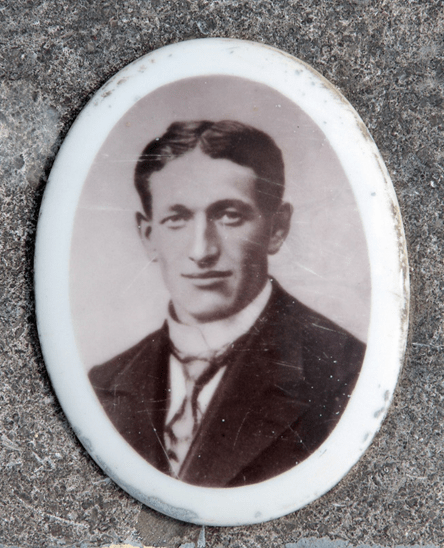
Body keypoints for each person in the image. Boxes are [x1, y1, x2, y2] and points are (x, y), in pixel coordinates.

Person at [89, 120, 366, 488]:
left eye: (229, 216)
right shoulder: (102, 385)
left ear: (277, 228)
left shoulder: (346, 374)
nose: (202, 251)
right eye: (176, 219)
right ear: (148, 235)